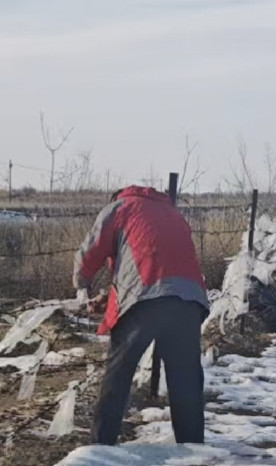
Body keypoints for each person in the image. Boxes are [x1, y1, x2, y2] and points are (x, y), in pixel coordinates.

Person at [73, 185, 209, 445]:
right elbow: (159, 261)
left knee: (118, 374)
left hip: (145, 299)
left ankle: (101, 447)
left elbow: (90, 253)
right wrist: (111, 297)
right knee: (186, 380)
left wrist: (81, 284)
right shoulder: (172, 213)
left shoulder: (120, 207)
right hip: (189, 300)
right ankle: (192, 449)